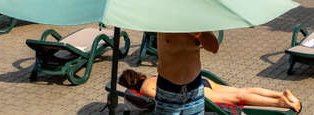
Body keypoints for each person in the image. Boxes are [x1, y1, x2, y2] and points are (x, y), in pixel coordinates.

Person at [119, 68, 301, 113]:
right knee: (240, 90)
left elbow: (165, 98)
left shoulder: (145, 88)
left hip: (191, 89)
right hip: (199, 80)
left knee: (238, 98)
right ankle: (278, 93)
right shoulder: (152, 76)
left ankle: (280, 102)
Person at [151, 31, 220, 114]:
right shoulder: (164, 21)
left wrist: (199, 34)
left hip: (195, 90)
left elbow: (214, 47)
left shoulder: (197, 22)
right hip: (168, 91)